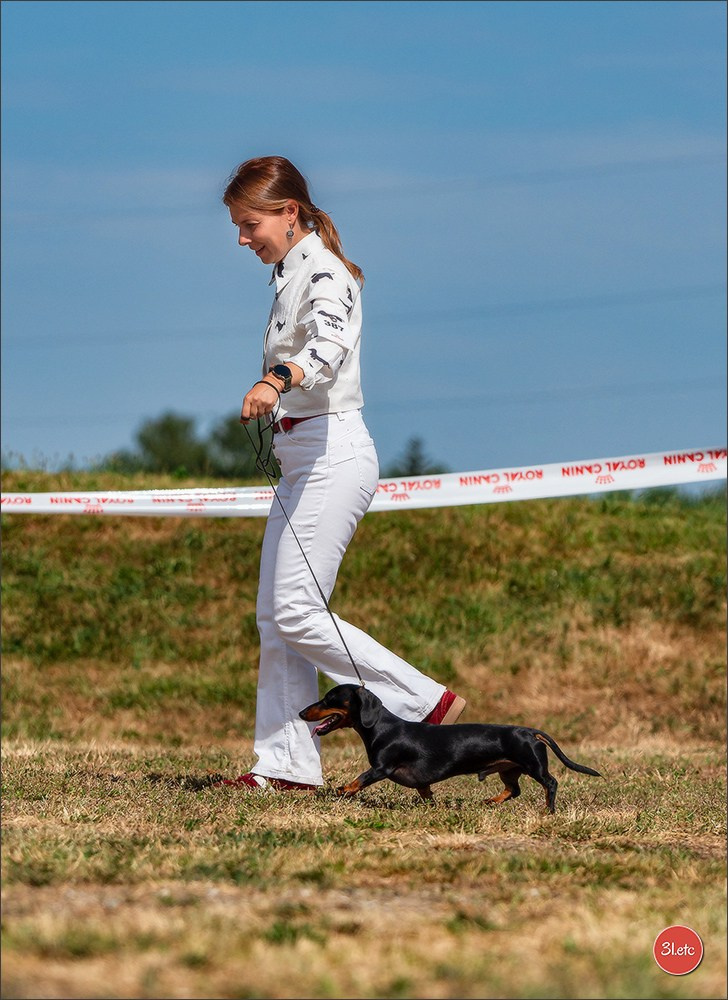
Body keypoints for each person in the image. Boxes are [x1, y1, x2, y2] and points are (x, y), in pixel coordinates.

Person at [219, 155, 466, 791]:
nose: (242, 238)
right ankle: (286, 768)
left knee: (296, 611)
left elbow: (327, 346)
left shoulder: (326, 274)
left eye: (249, 224)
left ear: (288, 212)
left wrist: (277, 379)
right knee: (276, 619)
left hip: (333, 455)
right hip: (301, 458)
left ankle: (421, 701)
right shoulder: (289, 274)